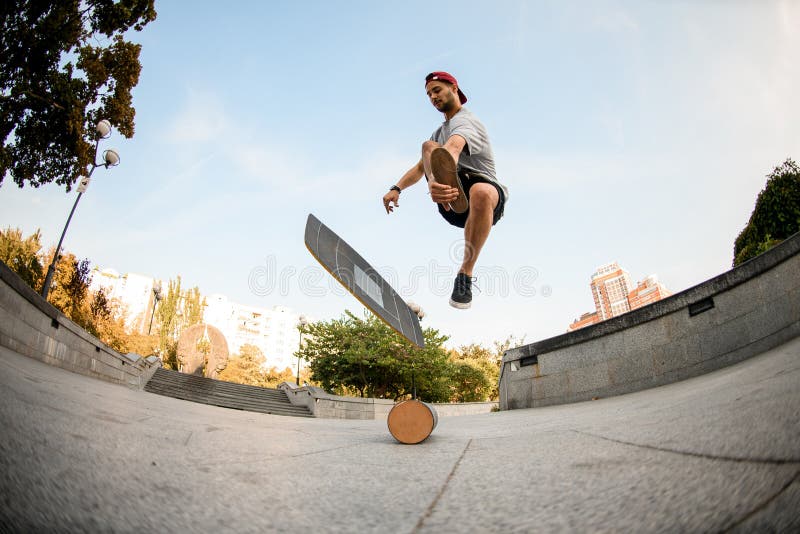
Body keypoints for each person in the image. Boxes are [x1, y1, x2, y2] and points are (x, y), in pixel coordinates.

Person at [382, 71, 508, 309]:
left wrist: (437, 176)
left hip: (486, 199)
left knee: (480, 190)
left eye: (437, 90)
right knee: (428, 146)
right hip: (453, 201)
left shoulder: (467, 121)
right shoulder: (439, 132)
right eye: (429, 94)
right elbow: (420, 167)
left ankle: (465, 275)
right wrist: (397, 188)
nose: (433, 97)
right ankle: (443, 187)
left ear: (453, 87)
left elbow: (455, 145)